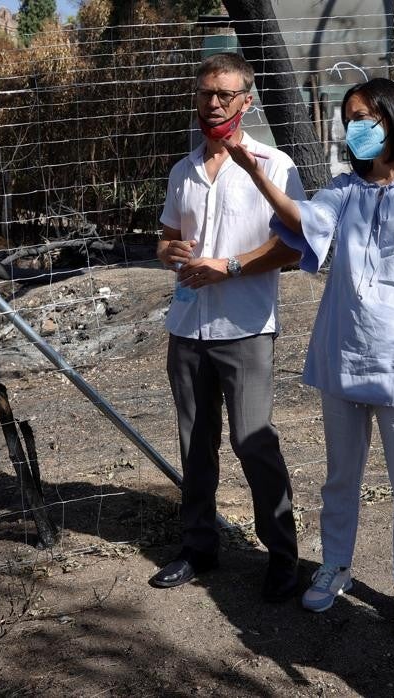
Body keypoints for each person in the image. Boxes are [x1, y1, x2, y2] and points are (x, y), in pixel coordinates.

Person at [225, 77, 394, 642]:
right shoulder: (345, 189)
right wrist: (256, 174)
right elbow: (300, 219)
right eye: (350, 119)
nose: (355, 127)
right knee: (341, 478)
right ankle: (335, 563)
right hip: (345, 354)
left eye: (365, 116)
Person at [149, 52, 307, 602]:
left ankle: (283, 558)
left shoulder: (275, 165)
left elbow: (294, 244)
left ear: (247, 100)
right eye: (204, 93)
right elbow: (166, 237)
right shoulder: (182, 170)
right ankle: (199, 547)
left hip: (245, 328)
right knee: (195, 443)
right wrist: (168, 250)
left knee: (252, 440)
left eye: (223, 94)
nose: (212, 103)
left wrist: (231, 265)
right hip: (187, 326)